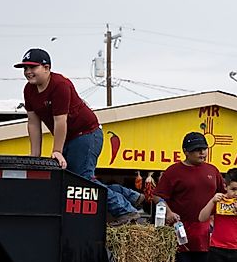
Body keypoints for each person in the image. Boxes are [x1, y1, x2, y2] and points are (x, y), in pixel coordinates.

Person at [15, 48, 142, 225]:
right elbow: (33, 123)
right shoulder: (29, 91)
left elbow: (60, 121)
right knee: (73, 182)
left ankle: (126, 210)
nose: (28, 72)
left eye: (32, 67)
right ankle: (131, 196)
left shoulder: (60, 85)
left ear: (47, 67)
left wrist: (57, 151)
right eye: (25, 69)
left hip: (87, 134)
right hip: (69, 137)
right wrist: (34, 155)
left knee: (82, 182)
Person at [154, 132, 225, 262]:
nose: (202, 152)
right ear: (185, 151)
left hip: (206, 235)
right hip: (180, 233)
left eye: (204, 148)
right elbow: (157, 196)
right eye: (196, 149)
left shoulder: (213, 170)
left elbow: (223, 196)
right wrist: (169, 212)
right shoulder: (173, 171)